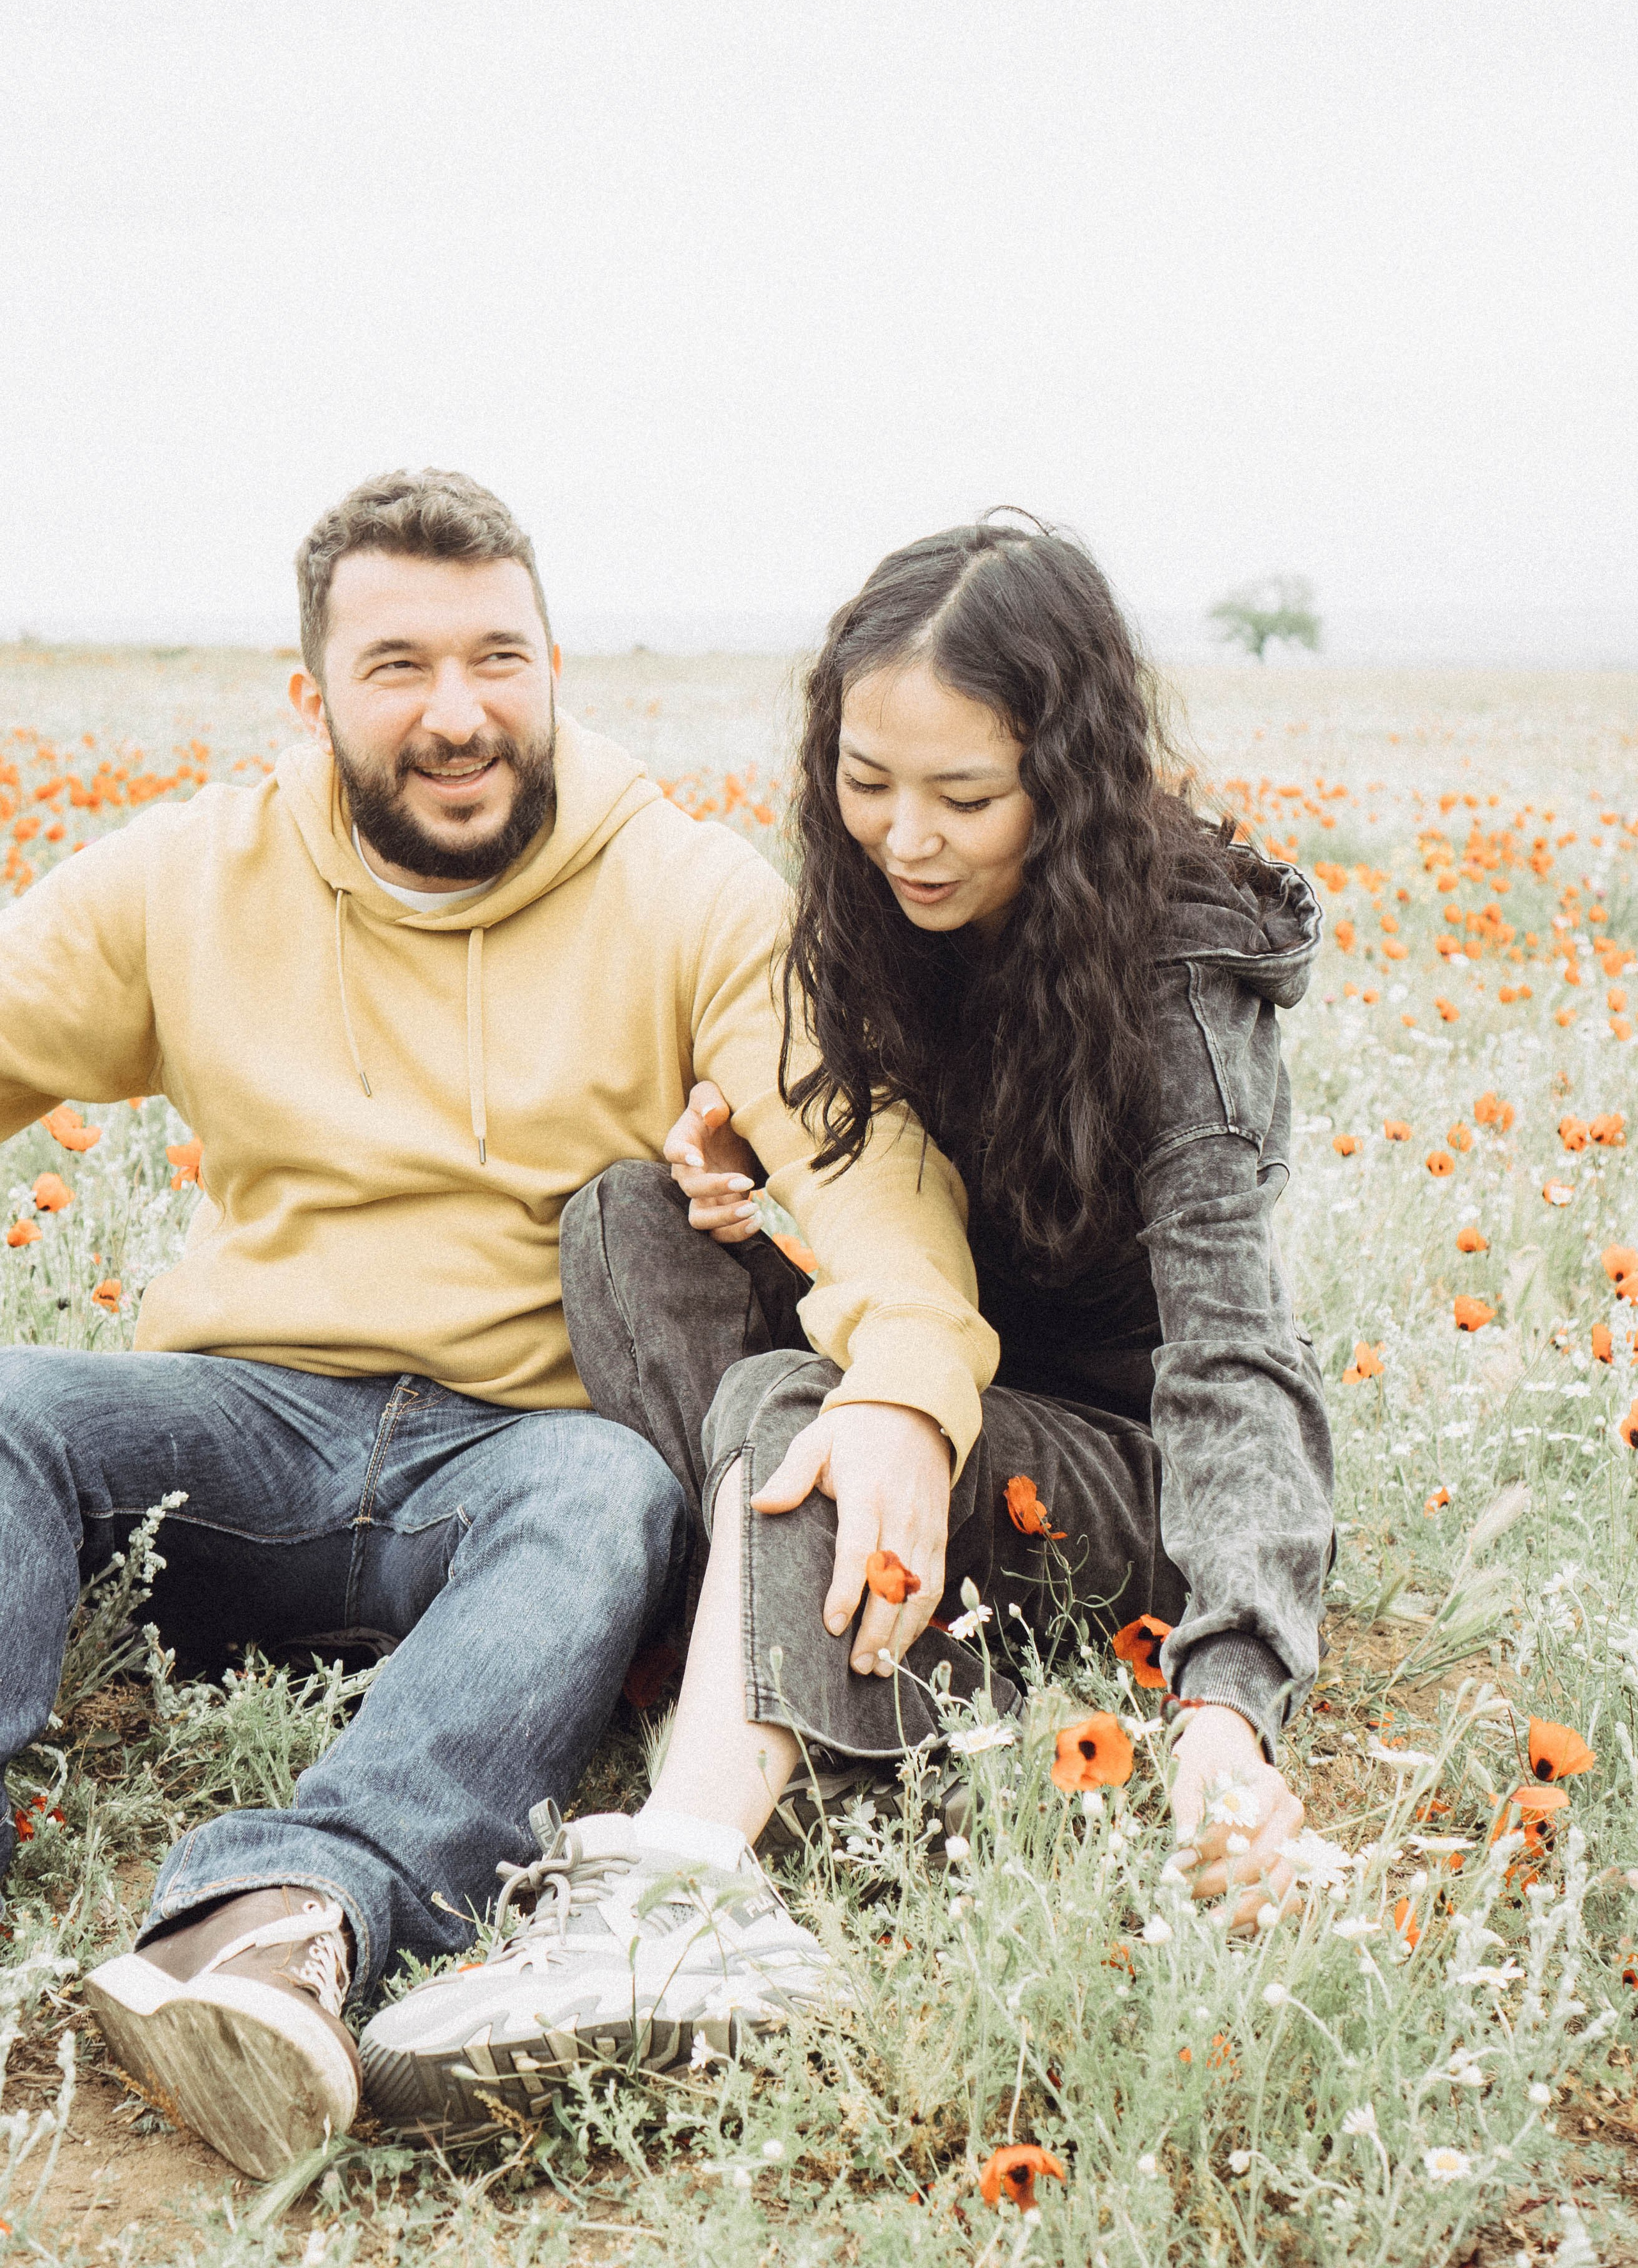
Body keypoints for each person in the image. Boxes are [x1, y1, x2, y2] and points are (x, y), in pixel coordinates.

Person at [0, 472, 996, 2179]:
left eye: (496, 659)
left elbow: (862, 1162)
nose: (457, 713)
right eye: (398, 667)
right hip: (241, 1429)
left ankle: (282, 1920)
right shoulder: (187, 875)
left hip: (519, 1469)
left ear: (552, 668)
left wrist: (905, 1382)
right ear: (314, 696)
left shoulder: (687, 892)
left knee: (612, 1489)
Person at [362, 517, 1334, 2137]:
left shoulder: (1176, 971)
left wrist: (1226, 1707)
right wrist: (755, 1174)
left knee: (798, 1402)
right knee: (626, 1220)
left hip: (1119, 1472)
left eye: (965, 797)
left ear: (1070, 780)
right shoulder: (875, 909)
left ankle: (683, 1891)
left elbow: (1236, 1354)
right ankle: (782, 1652)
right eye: (867, 783)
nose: (905, 837)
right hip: (946, 1405)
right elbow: (897, 1213)